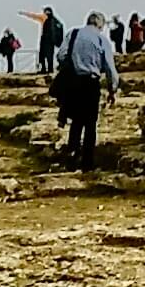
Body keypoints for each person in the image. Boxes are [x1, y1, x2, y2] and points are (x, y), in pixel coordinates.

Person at [56, 12, 118, 172]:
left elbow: (61, 55)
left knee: (76, 121)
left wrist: (73, 64)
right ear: (100, 24)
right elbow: (110, 68)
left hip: (74, 81)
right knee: (90, 123)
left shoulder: (73, 33)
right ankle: (87, 164)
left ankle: (72, 158)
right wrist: (112, 89)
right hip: (91, 82)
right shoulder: (101, 40)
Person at [37, 8, 63, 77]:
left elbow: (59, 27)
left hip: (50, 41)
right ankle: (43, 69)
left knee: (49, 56)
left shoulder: (53, 20)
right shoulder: (46, 20)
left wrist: (56, 40)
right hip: (44, 40)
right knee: (42, 56)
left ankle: (49, 69)